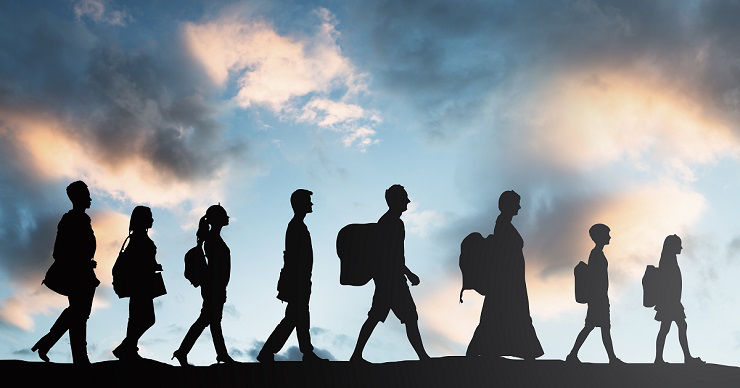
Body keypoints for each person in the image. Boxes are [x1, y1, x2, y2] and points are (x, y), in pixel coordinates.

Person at [350, 184, 429, 362]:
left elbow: (394, 255)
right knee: (408, 316)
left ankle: (356, 355)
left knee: (377, 316)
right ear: (395, 201)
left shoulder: (388, 222)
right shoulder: (391, 223)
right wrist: (409, 274)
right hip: (391, 280)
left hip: (387, 278)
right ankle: (423, 357)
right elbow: (392, 255)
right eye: (404, 198)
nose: (407, 201)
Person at [466, 190, 543, 360]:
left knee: (500, 315)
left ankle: (523, 351)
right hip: (506, 282)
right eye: (517, 203)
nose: (520, 207)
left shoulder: (503, 224)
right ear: (508, 205)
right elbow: (501, 255)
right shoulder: (502, 225)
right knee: (498, 316)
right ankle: (526, 352)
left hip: (511, 280)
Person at [32, 180, 100, 365]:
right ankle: (79, 357)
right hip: (77, 274)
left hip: (84, 272)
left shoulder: (83, 219)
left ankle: (51, 344)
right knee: (79, 314)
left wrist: (87, 260)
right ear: (77, 197)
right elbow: (59, 251)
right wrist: (79, 260)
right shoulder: (70, 219)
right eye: (86, 194)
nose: (90, 198)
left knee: (79, 314)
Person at [257, 189, 327, 362]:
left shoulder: (298, 225)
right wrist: (299, 281)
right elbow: (293, 258)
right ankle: (302, 352)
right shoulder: (296, 226)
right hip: (298, 281)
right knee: (297, 317)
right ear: (300, 204)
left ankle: (301, 352)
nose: (311, 204)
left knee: (297, 318)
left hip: (301, 280)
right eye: (308, 201)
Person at [172, 204, 236, 365]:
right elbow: (216, 267)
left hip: (215, 286)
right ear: (217, 219)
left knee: (206, 320)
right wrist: (218, 287)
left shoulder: (212, 238)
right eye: (223, 215)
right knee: (213, 321)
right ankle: (221, 354)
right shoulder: (212, 239)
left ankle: (182, 352)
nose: (226, 217)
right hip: (214, 287)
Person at [566, 224, 622, 364]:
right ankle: (574, 355)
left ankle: (610, 358)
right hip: (598, 298)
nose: (609, 236)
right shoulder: (596, 254)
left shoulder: (597, 253)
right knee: (596, 327)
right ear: (600, 236)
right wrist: (600, 297)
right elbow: (595, 278)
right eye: (607, 234)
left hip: (600, 297)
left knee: (599, 327)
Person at [113, 206, 164, 360]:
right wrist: (151, 266)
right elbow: (137, 262)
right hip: (140, 285)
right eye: (149, 216)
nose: (152, 220)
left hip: (143, 284)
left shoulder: (138, 238)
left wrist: (154, 266)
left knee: (138, 318)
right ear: (142, 219)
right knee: (145, 318)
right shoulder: (138, 239)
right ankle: (127, 347)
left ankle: (128, 348)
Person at [653, 234, 703, 365]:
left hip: (672, 302)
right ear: (672, 246)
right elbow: (669, 283)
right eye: (678, 245)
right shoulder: (668, 260)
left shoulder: (669, 258)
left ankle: (665, 358)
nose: (681, 247)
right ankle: (684, 358)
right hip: (670, 302)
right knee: (672, 328)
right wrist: (672, 301)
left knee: (670, 328)